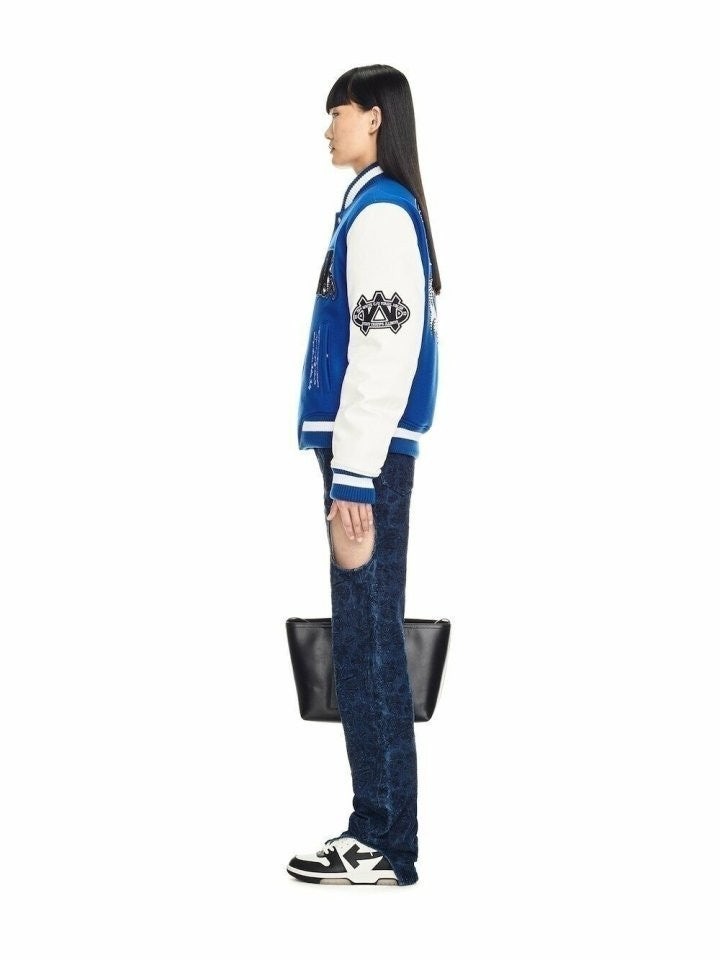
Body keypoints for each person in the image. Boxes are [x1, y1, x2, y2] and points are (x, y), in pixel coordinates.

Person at [287, 64, 441, 887]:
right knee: (365, 637)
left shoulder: (380, 214)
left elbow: (385, 351)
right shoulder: (371, 207)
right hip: (366, 456)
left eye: (337, 112)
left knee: (369, 642)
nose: (328, 128)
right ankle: (379, 831)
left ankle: (383, 839)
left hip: (366, 461)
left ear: (375, 117)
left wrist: (351, 475)